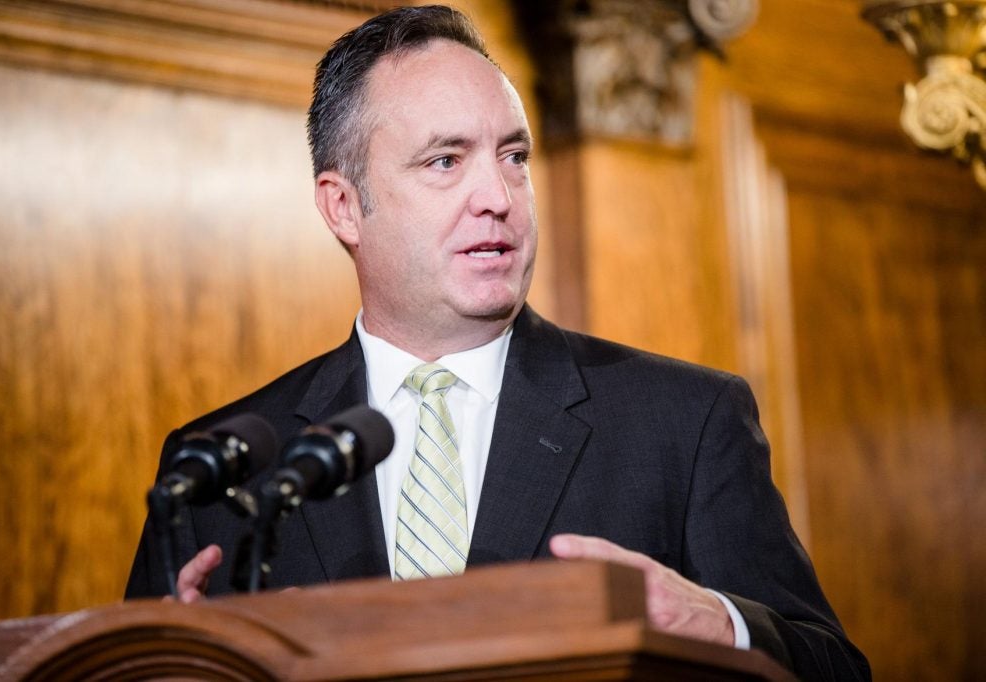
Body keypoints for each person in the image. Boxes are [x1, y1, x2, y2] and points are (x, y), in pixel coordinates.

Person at [126, 6, 870, 679]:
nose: (498, 197)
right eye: (446, 161)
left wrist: (724, 625)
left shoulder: (685, 421)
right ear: (344, 206)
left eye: (514, 157)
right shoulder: (218, 472)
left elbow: (835, 668)